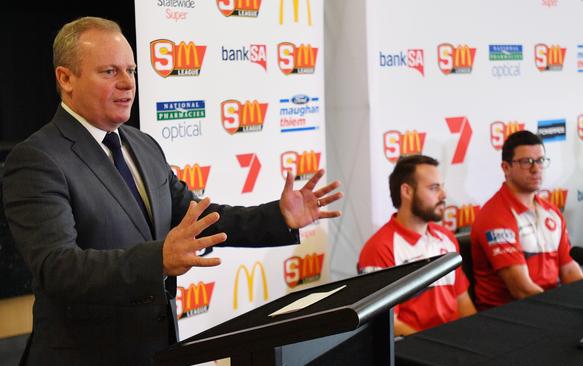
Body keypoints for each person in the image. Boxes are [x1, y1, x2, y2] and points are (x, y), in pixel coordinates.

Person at [2, 17, 342, 365]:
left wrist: (277, 216)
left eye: (131, 71)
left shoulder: (143, 145)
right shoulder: (38, 159)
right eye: (109, 72)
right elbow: (58, 268)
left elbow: (197, 218)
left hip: (157, 351)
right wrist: (158, 259)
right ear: (66, 78)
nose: (127, 84)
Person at [357, 155, 476, 336]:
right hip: (414, 349)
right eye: (434, 188)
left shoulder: (446, 237)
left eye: (442, 187)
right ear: (407, 191)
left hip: (455, 342)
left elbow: (463, 301)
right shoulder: (379, 248)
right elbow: (390, 324)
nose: (443, 195)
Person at [471, 130, 583, 310]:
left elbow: (569, 269)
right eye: (526, 162)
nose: (536, 168)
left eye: (540, 160)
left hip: (548, 306)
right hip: (508, 316)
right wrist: (564, 312)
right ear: (506, 168)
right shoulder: (495, 216)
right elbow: (521, 290)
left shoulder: (551, 211)